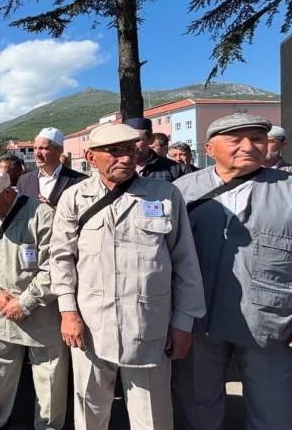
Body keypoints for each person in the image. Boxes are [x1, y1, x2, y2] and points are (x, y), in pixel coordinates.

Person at [172, 113, 292, 430]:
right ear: (209, 148)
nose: (249, 146)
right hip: (198, 323)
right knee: (197, 407)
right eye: (236, 140)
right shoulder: (181, 190)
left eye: (257, 139)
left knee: (277, 412)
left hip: (274, 322)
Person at [50, 123, 206, 429]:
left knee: (152, 416)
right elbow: (60, 258)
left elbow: (185, 263)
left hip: (148, 325)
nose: (125, 158)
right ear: (91, 158)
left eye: (130, 150)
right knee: (90, 410)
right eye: (114, 151)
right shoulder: (74, 198)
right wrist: (68, 312)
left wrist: (183, 323)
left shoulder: (165, 195)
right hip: (91, 327)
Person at [0, 168, 68, 430]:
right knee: (1, 368)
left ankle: (48, 426)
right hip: (1, 310)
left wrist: (24, 302)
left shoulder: (42, 214)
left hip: (41, 312)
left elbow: (54, 268)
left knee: (49, 374)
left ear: (7, 192)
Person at [17, 127, 88, 208]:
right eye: (35, 148)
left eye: (43, 148)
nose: (37, 154)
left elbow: (84, 212)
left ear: (58, 151)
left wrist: (53, 210)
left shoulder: (79, 181)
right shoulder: (24, 180)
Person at [124, 118, 192, 182]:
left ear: (151, 139)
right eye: (127, 141)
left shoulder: (176, 170)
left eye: (137, 140)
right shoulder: (119, 169)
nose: (131, 145)